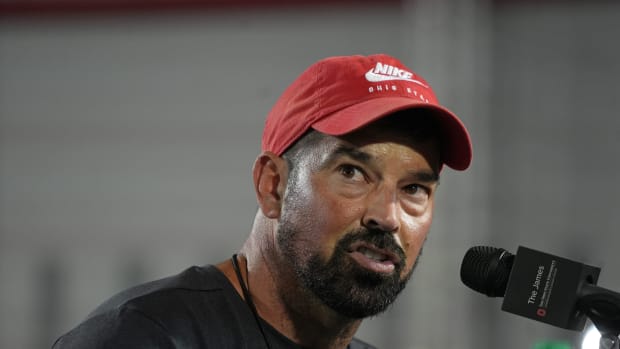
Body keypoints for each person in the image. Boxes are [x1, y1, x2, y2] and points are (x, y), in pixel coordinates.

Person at [52, 53, 472, 349]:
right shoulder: (145, 336)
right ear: (273, 186)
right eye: (352, 173)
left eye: (414, 189)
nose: (386, 216)